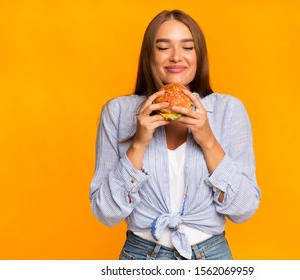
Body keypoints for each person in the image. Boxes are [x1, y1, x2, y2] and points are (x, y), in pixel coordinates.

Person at [89, 9, 261, 260]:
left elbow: (243, 210)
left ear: (199, 55)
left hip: (210, 257)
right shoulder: (118, 112)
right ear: (149, 56)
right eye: (163, 47)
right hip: (141, 257)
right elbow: (105, 213)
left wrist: (208, 140)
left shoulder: (228, 110)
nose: (176, 57)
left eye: (187, 47)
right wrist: (139, 143)